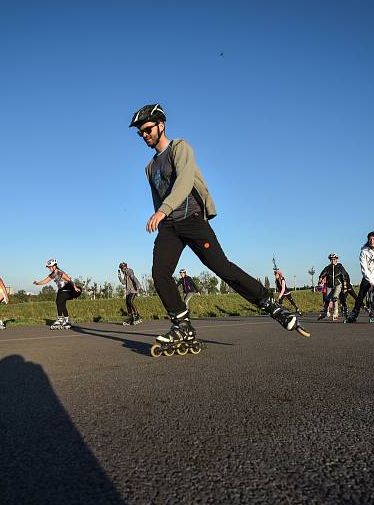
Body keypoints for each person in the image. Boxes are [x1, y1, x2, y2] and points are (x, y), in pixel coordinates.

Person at [129, 103, 308, 354]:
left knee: (221, 267)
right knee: (159, 273)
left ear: (161, 125)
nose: (145, 135)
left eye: (147, 129)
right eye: (140, 133)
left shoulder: (180, 147)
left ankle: (270, 304)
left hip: (191, 218)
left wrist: (162, 211)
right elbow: (158, 196)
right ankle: (182, 325)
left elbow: (184, 182)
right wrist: (162, 217)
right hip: (169, 226)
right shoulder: (149, 167)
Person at [34, 259, 82, 329]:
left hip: (68, 288)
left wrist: (75, 287)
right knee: (61, 303)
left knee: (58, 301)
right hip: (61, 290)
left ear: (54, 266)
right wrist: (38, 283)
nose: (49, 269)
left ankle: (60, 319)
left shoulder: (60, 272)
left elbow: (69, 280)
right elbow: (46, 280)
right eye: (48, 267)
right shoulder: (52, 274)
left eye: (50, 267)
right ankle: (67, 320)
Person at [317, 254, 349, 320]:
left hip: (338, 284)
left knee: (335, 297)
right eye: (331, 259)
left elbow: (344, 276)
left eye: (334, 259)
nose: (333, 261)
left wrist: (345, 286)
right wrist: (320, 279)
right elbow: (322, 274)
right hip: (329, 285)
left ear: (337, 259)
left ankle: (336, 312)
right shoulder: (328, 268)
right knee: (326, 299)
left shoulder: (340, 267)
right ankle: (325, 312)